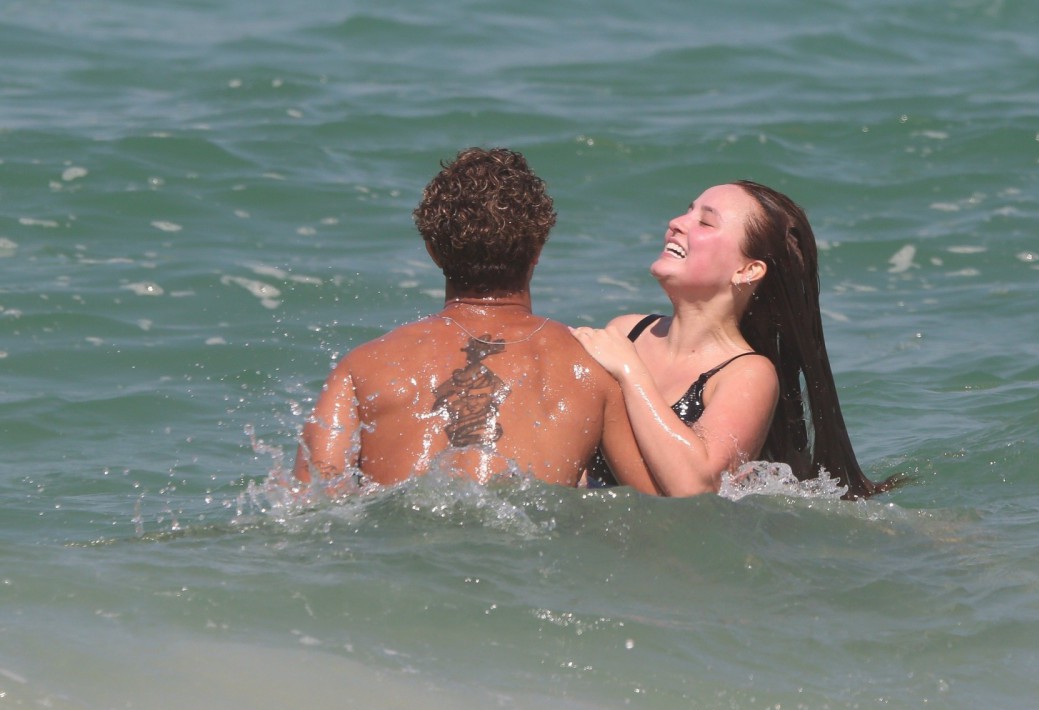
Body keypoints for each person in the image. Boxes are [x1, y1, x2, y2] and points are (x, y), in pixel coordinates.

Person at [294, 147, 656, 494]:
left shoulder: (363, 367)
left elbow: (310, 499)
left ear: (432, 251)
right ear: (538, 250)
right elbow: (657, 506)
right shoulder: (591, 368)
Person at [572, 180, 899, 499]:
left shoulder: (748, 374)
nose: (676, 223)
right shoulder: (627, 332)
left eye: (705, 222)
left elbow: (696, 489)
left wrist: (630, 371)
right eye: (688, 211)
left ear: (747, 271)